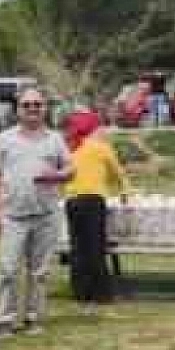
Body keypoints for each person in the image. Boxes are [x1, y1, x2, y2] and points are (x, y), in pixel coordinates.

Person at [0, 87, 70, 336]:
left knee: (40, 272)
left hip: (46, 215)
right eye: (27, 105)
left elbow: (70, 169)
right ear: (17, 109)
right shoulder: (4, 139)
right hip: (12, 215)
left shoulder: (55, 139)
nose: (33, 109)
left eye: (37, 104)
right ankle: (3, 320)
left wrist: (56, 175)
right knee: (8, 269)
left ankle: (34, 319)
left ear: (45, 108)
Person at [62, 110, 130, 307]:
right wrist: (125, 191)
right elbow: (118, 174)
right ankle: (101, 293)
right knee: (96, 248)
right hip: (93, 201)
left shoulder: (70, 147)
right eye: (100, 128)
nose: (104, 131)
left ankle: (81, 292)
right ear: (93, 129)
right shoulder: (101, 148)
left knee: (77, 248)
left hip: (72, 202)